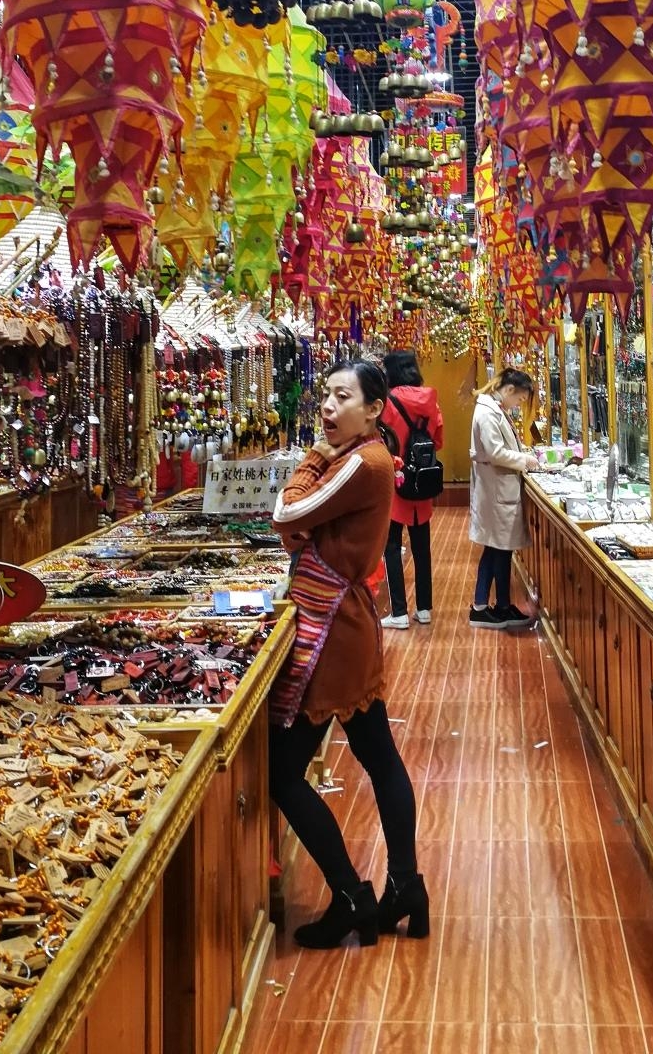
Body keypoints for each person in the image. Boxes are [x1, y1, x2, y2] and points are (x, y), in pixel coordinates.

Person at [268, 360, 429, 949]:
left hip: (333, 633)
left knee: (281, 773)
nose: (329, 408)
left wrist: (311, 462)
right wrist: (305, 520)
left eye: (343, 397)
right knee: (378, 755)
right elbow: (299, 526)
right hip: (343, 624)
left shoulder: (363, 462)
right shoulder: (361, 456)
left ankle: (351, 895)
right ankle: (404, 887)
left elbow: (287, 513)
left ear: (374, 408)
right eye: (327, 396)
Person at [469, 368, 539, 628]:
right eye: (519, 398)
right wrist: (524, 459)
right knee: (498, 549)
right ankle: (491, 607)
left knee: (497, 548)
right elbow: (496, 453)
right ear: (509, 390)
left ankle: (496, 605)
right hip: (496, 490)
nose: (519, 404)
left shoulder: (495, 410)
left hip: (498, 489)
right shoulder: (488, 413)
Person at [380, 348, 443, 630]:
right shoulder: (431, 401)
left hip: (395, 479)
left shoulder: (387, 402)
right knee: (421, 547)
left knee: (392, 546)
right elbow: (438, 441)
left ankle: (399, 612)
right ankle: (425, 608)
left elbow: (380, 440)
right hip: (422, 478)